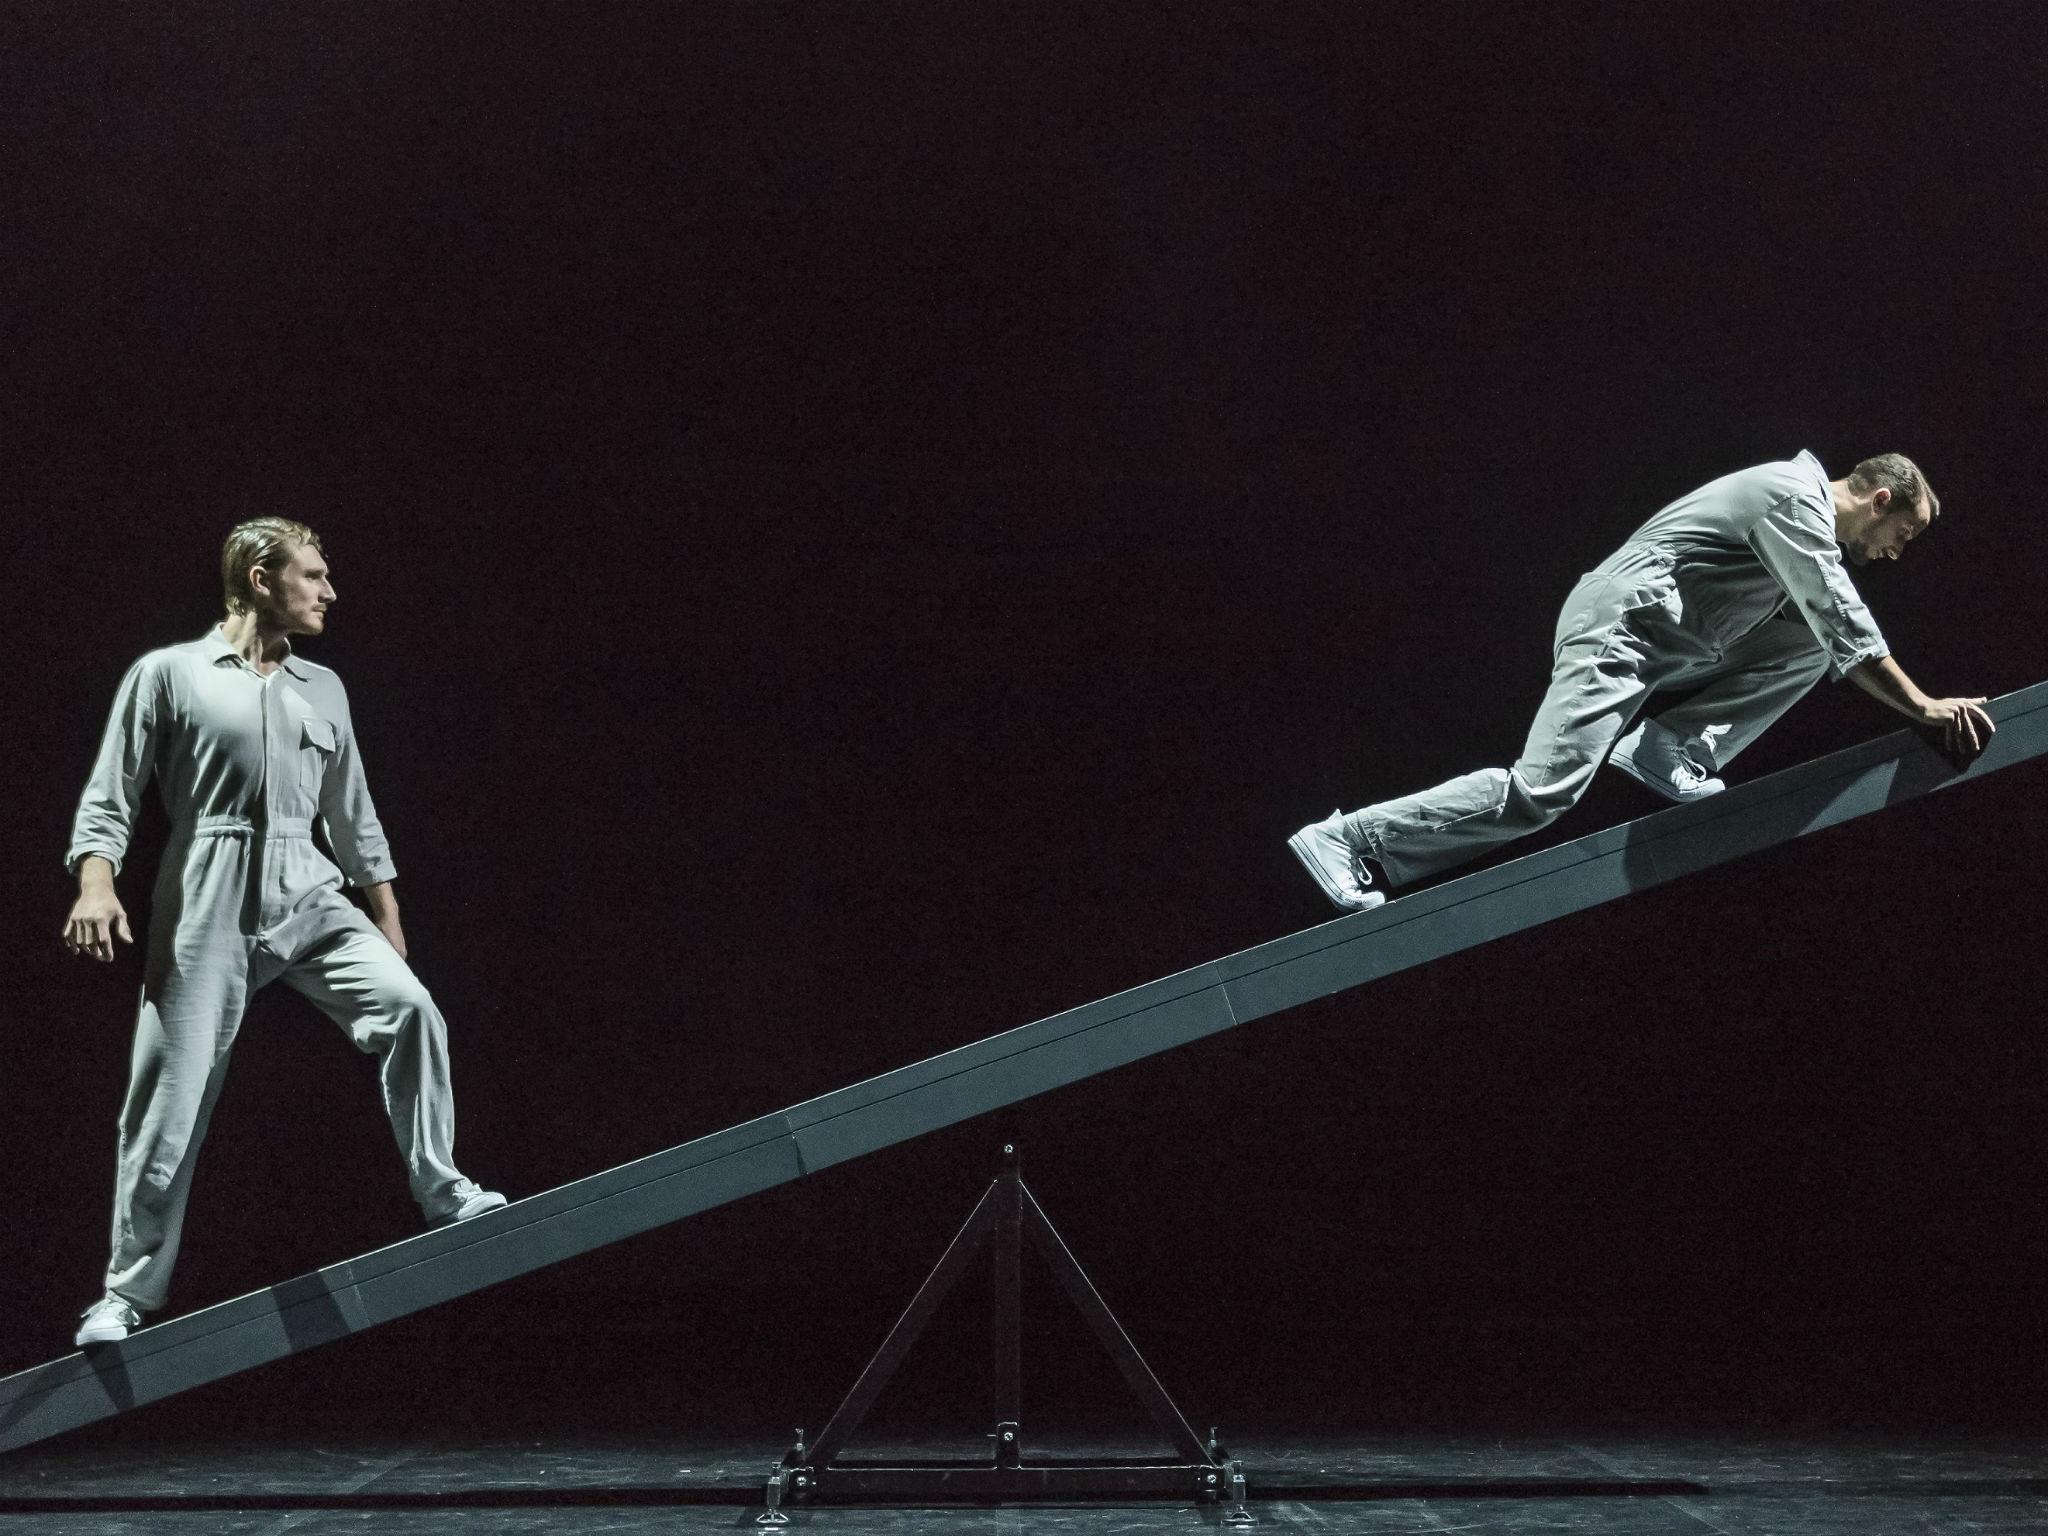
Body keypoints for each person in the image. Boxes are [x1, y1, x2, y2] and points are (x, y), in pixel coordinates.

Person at [62, 518, 505, 1348]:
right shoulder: (169, 674)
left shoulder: (324, 688)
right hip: (208, 891)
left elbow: (353, 810)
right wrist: (96, 883)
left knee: (411, 1010)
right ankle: (125, 1293)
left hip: (308, 889)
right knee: (168, 1098)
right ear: (261, 577)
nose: (330, 592)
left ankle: (442, 1188)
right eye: (314, 575)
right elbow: (110, 793)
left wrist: (387, 916)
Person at [1288, 451, 1996, 912]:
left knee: (1810, 645)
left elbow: (1829, 629)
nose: (1896, 553)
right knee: (1542, 792)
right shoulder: (1793, 500)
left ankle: (1669, 747)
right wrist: (1925, 707)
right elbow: (1842, 614)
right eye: (1903, 534)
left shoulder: (1796, 508)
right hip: (1622, 630)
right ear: (1878, 499)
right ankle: (1351, 839)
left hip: (1673, 640)